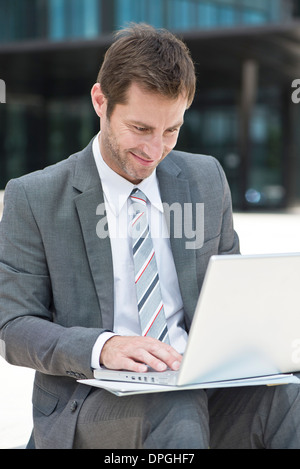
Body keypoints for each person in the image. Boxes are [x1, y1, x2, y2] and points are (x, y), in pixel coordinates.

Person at [0, 23, 300, 450]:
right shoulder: (35, 195)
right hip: (93, 402)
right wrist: (104, 346)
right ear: (100, 101)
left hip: (201, 384)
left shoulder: (207, 178)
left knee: (290, 398)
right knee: (172, 409)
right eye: (141, 129)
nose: (156, 150)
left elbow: (228, 298)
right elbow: (13, 326)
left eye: (172, 130)